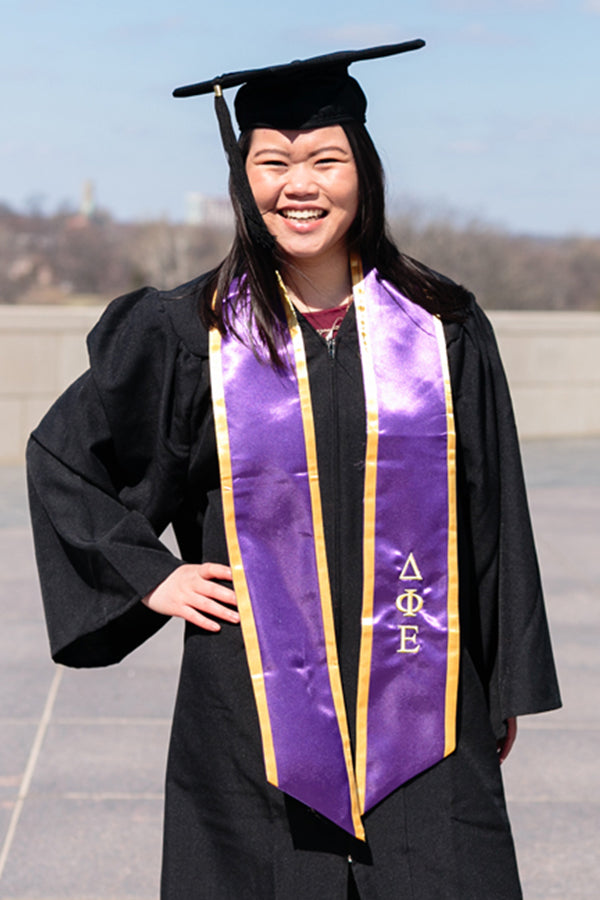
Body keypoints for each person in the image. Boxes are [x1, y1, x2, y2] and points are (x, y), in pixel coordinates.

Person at [27, 42, 561, 899]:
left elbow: (491, 509)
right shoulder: (188, 333)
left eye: (325, 159)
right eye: (272, 162)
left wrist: (496, 685)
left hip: (422, 701)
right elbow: (63, 456)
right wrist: (148, 577)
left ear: (364, 174)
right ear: (244, 181)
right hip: (252, 718)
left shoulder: (440, 327)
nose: (298, 185)